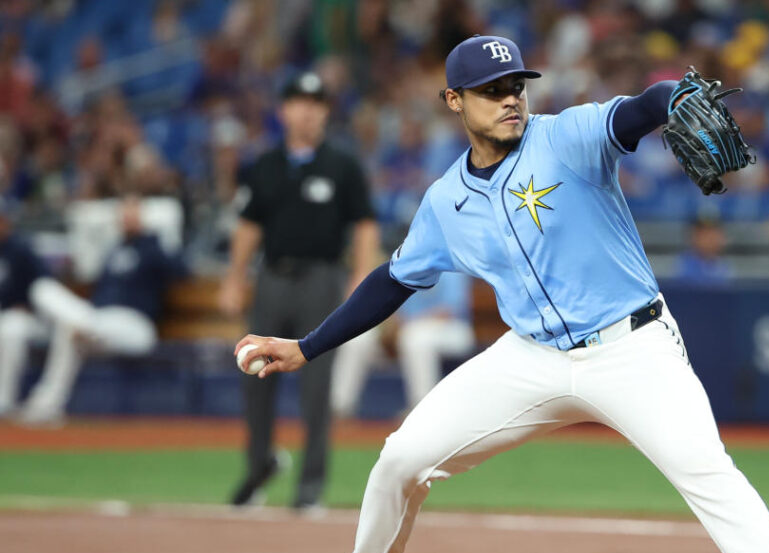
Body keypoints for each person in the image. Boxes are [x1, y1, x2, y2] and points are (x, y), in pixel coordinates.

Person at [236, 36, 769, 553]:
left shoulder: (568, 137)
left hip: (631, 348)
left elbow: (639, 108)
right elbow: (392, 281)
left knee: (706, 471)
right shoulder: (446, 201)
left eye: (516, 86)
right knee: (400, 459)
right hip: (530, 357)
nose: (509, 99)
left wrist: (674, 97)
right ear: (454, 101)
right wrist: (308, 347)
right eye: (491, 90)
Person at [218, 71, 381, 511]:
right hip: (272, 277)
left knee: (316, 384)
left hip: (321, 279)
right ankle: (257, 471)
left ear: (325, 112)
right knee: (254, 375)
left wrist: (361, 276)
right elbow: (249, 225)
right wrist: (234, 277)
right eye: (298, 102)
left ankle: (310, 487)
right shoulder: (266, 165)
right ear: (283, 110)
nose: (306, 110)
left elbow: (364, 224)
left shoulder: (342, 165)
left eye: (315, 103)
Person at [18, 196, 186, 425]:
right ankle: (46, 407)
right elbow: (99, 290)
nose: (127, 219)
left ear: (142, 218)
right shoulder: (114, 249)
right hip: (101, 322)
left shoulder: (152, 247)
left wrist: (151, 237)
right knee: (49, 300)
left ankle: (82, 328)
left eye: (132, 214)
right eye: (124, 214)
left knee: (73, 324)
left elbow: (181, 270)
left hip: (136, 326)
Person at [331, 271, 475, 418]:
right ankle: (339, 407)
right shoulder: (410, 265)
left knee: (416, 338)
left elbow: (448, 311)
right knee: (358, 339)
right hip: (408, 331)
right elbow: (396, 309)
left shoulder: (451, 265)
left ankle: (422, 410)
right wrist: (390, 328)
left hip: (452, 329)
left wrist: (406, 326)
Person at [0, 201, 49, 417]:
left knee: (11, 328)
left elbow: (45, 286)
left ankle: (4, 400)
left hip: (27, 318)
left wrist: (29, 305)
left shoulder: (22, 249)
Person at [673, 216, 732, 286]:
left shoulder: (725, 266)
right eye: (704, 234)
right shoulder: (682, 265)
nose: (710, 239)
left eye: (713, 233)